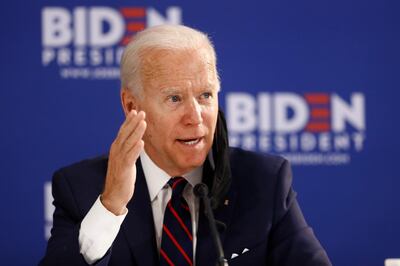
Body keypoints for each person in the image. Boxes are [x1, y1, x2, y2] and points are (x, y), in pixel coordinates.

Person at [40, 25, 331, 266]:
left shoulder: (263, 180)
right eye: (175, 99)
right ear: (131, 106)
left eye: (206, 95)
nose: (195, 117)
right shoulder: (82, 188)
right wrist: (111, 206)